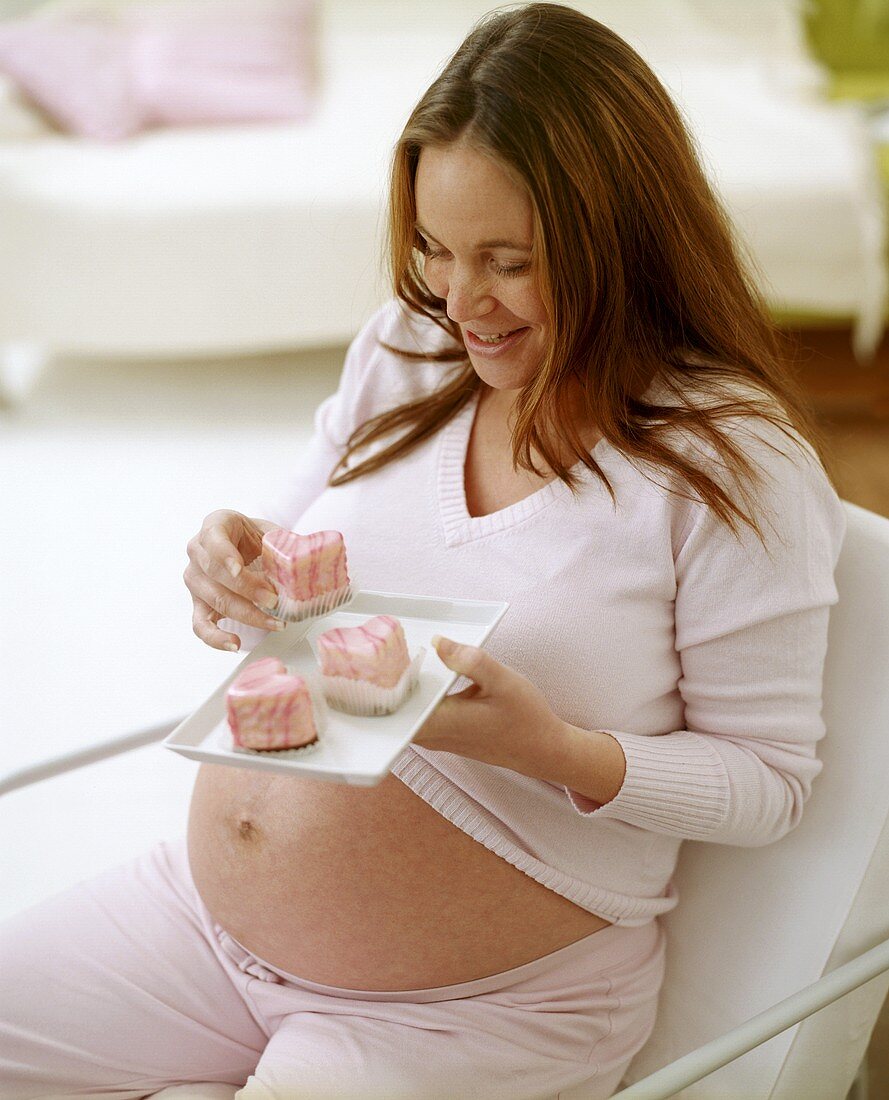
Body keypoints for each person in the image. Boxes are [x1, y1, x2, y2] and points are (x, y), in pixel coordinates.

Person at [0, 4, 847, 1098]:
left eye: (508, 262)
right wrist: (228, 562)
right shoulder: (410, 342)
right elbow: (288, 541)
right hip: (207, 926)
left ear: (622, 243)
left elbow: (768, 781)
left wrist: (550, 746)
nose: (460, 302)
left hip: (475, 1010)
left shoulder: (731, 462)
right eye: (437, 249)